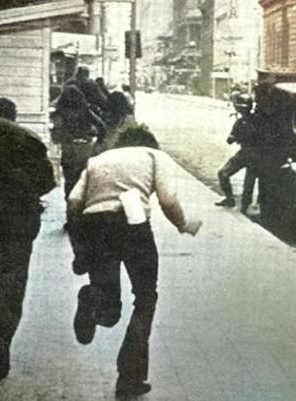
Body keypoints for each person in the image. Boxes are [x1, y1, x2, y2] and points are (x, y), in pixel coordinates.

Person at [66, 126, 201, 396]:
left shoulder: (98, 160)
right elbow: (168, 199)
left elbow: (73, 202)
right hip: (133, 224)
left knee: (109, 307)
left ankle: (91, 297)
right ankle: (129, 378)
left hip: (95, 225)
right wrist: (183, 224)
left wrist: (80, 248)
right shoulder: (155, 156)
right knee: (145, 299)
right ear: (150, 143)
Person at [0, 98, 55, 379]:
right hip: (18, 220)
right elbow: (48, 183)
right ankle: (1, 348)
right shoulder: (30, 139)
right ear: (14, 116)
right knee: (11, 283)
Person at [52, 84, 106, 199]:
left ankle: (70, 201)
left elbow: (56, 134)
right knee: (83, 179)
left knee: (69, 180)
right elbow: (101, 126)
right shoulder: (85, 111)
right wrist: (98, 142)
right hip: (84, 148)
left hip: (68, 149)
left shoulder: (60, 112)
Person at [216, 93, 258, 212]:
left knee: (249, 181)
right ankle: (231, 199)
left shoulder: (256, 121)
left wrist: (238, 137)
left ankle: (244, 205)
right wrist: (233, 137)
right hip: (245, 153)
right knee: (223, 173)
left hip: (254, 154)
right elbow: (230, 139)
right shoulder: (240, 122)